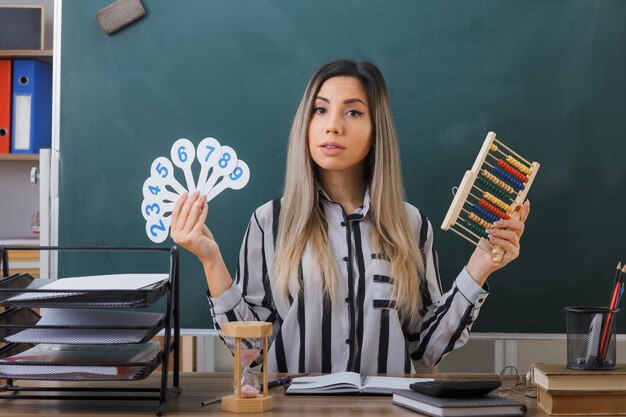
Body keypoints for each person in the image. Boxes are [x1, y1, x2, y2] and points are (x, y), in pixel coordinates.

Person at [170, 59, 530, 374]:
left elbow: (425, 349)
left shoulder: (411, 226)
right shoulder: (269, 223)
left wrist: (479, 267)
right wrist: (209, 258)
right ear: (306, 125)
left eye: (353, 112)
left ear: (377, 130)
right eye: (320, 110)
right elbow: (251, 355)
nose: (333, 126)